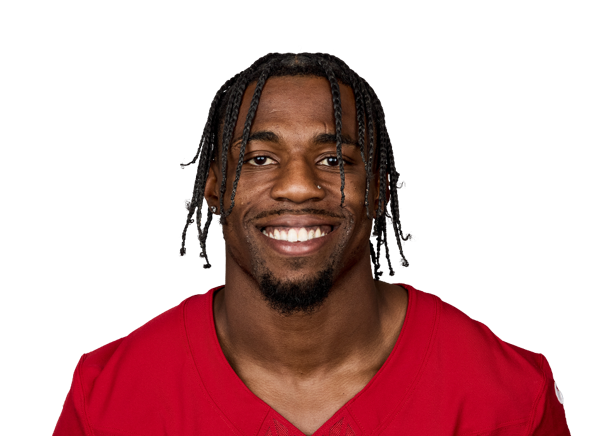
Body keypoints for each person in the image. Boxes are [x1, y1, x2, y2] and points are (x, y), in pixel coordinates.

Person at [53, 52, 571, 436]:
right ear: (213, 188)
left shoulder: (509, 395)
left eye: (333, 160)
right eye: (259, 159)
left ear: (379, 191)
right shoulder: (107, 396)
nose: (299, 186)